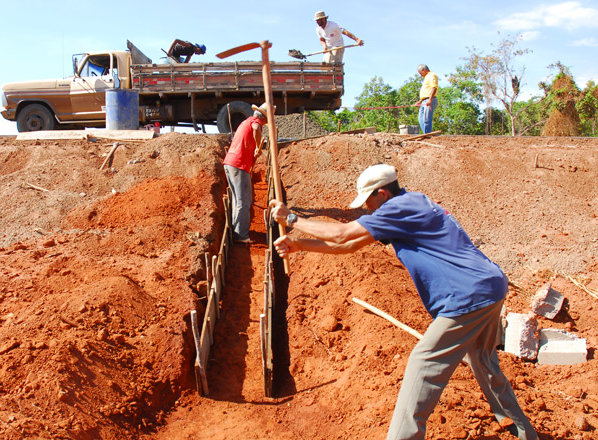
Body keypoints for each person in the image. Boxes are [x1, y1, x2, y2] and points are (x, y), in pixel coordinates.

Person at [268, 164, 539, 440]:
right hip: (489, 285)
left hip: (467, 295)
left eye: (368, 202)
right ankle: (522, 431)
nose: (367, 209)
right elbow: (350, 245)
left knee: (423, 363)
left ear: (383, 194)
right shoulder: (412, 203)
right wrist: (299, 244)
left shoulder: (398, 209)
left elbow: (342, 234)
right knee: (482, 358)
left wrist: (292, 219)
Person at [223, 103, 271, 244]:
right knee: (244, 201)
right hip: (238, 165)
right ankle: (241, 235)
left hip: (231, 163)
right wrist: (258, 146)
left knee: (238, 200)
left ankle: (236, 231)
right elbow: (257, 128)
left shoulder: (246, 121)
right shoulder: (255, 122)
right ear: (263, 118)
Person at [415, 64, 438, 134]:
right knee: (420, 119)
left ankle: (428, 134)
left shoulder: (432, 75)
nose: (420, 75)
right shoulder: (427, 77)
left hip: (430, 100)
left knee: (427, 119)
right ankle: (426, 133)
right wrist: (420, 101)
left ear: (424, 70)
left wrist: (430, 99)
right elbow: (427, 90)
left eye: (420, 73)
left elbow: (434, 87)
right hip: (424, 101)